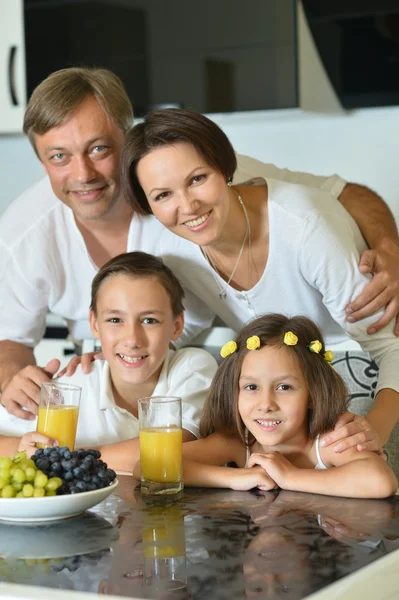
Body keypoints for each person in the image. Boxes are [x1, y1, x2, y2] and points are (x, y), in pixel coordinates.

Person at [1, 68, 399, 422]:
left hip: (344, 364)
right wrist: (107, 359)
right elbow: (10, 339)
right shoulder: (24, 233)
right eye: (59, 156)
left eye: (99, 148)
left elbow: (340, 194)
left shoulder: (199, 175)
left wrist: (390, 247)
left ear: (128, 136)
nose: (83, 173)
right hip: (228, 386)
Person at [121, 107, 399, 454]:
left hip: (367, 382)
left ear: (223, 168)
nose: (188, 206)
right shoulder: (170, 248)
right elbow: (181, 327)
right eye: (163, 195)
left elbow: (392, 347)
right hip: (274, 401)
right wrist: (108, 358)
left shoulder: (306, 228)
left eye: (197, 179)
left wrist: (375, 428)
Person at [0, 252, 217, 471]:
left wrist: (61, 459)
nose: (132, 340)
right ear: (94, 324)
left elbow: (170, 449)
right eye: (115, 320)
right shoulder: (74, 383)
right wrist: (21, 448)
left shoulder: (192, 368)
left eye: (149, 320)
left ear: (177, 326)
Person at [174, 314, 398, 498]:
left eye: (284, 388)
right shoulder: (238, 442)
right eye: (251, 387)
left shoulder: (330, 441)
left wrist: (289, 476)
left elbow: (380, 481)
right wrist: (237, 478)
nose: (266, 404)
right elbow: (151, 463)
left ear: (312, 394)